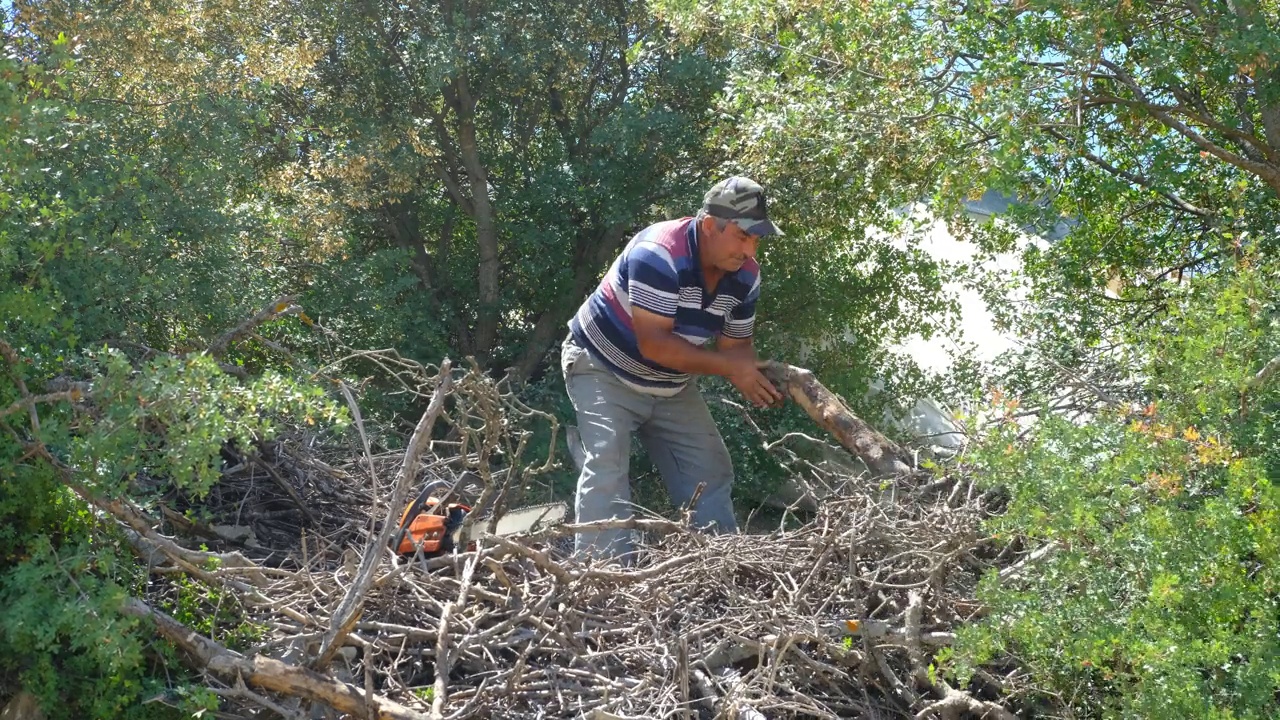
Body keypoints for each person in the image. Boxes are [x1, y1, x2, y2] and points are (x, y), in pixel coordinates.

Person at [560, 176, 785, 561]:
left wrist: (755, 375)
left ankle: (718, 570)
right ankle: (605, 583)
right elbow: (656, 343)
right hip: (602, 367)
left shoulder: (747, 277)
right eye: (742, 236)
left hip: (671, 383)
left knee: (710, 471)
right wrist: (732, 369)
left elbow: (734, 349)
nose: (749, 250)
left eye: (756, 239)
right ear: (710, 223)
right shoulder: (659, 254)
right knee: (608, 467)